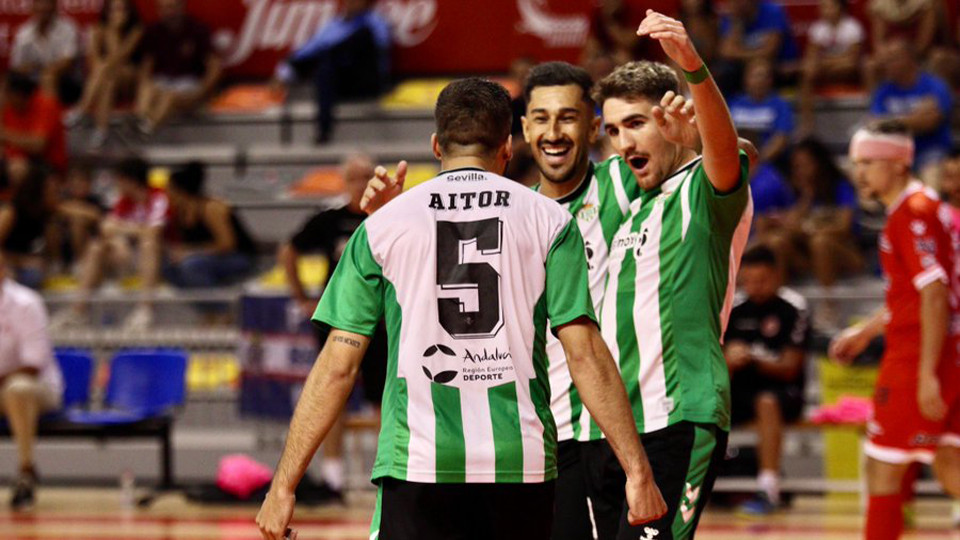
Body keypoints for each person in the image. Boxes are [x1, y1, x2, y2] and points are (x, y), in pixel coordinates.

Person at [255, 77, 666, 540]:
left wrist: (283, 485)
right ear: (507, 148)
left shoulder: (380, 227)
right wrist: (638, 471)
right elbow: (585, 353)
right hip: (520, 460)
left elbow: (336, 366)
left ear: (436, 145)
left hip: (419, 459)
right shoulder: (550, 221)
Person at [587, 11, 752, 539]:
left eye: (636, 123)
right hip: (619, 428)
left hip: (681, 416)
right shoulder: (624, 198)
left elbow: (731, 154)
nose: (622, 142)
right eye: (612, 129)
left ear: (669, 117)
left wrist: (694, 72)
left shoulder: (704, 192)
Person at [830, 121, 960, 540]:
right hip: (943, 351)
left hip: (918, 357)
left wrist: (925, 375)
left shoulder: (912, 214)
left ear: (899, 164)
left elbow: (935, 293)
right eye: (856, 163)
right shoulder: (935, 209)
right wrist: (866, 332)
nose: (860, 173)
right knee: (948, 463)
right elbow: (914, 295)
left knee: (882, 469)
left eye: (869, 162)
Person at [277, 153, 386, 499]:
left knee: (385, 398)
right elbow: (288, 251)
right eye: (354, 177)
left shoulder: (388, 218)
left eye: (367, 176)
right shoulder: (329, 220)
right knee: (333, 396)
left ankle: (388, 475)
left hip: (382, 320)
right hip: (339, 320)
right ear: (344, 181)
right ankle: (333, 477)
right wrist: (300, 297)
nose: (361, 183)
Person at [724, 245, 810, 515]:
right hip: (740, 393)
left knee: (766, 402)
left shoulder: (793, 308)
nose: (754, 287)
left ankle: (768, 488)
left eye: (761, 281)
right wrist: (727, 358)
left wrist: (751, 357)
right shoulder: (734, 309)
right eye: (748, 281)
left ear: (776, 276)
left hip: (784, 393)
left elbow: (790, 367)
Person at [50, 156, 166, 330]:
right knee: (98, 246)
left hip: (154, 258)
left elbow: (153, 232)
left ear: (131, 181)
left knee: (148, 242)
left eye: (119, 180)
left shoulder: (157, 198)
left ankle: (145, 310)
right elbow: (106, 228)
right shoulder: (123, 202)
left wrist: (124, 229)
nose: (117, 184)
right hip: (125, 256)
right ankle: (78, 311)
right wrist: (126, 233)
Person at [275, 0, 390, 144]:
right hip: (340, 81)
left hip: (365, 81)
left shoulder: (375, 22)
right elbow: (309, 50)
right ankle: (323, 130)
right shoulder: (333, 24)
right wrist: (284, 70)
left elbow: (380, 48)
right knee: (325, 66)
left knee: (354, 40)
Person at [0, 251, 64, 510]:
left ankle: (26, 472)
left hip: (38, 389)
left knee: (18, 389)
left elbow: (33, 364)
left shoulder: (26, 303)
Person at [757, 137, 862, 290]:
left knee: (820, 242)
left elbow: (844, 227)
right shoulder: (794, 191)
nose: (801, 170)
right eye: (797, 166)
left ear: (820, 163)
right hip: (806, 256)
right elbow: (789, 225)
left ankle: (828, 303)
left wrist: (808, 231)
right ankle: (777, 301)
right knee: (776, 242)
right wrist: (807, 197)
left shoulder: (840, 187)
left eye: (806, 164)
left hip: (842, 252)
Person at [870, 38, 953, 187]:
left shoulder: (934, 85)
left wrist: (893, 122)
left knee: (932, 180)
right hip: (895, 155)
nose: (886, 64)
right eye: (887, 60)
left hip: (930, 151)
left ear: (909, 59)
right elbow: (876, 126)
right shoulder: (883, 90)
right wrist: (916, 119)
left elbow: (930, 122)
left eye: (892, 59)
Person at [164, 161, 255, 288]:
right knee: (167, 264)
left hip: (236, 256)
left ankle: (218, 306)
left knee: (192, 265)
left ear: (181, 192)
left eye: (170, 190)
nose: (167, 194)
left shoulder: (211, 208)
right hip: (205, 256)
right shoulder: (180, 212)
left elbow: (227, 244)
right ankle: (200, 304)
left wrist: (191, 252)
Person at [67, 0, 145, 148]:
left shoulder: (136, 30)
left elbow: (121, 57)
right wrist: (104, 67)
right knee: (107, 80)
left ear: (129, 12)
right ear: (107, 12)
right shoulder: (97, 29)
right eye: (114, 10)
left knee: (107, 70)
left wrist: (113, 32)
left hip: (129, 77)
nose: (118, 14)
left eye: (122, 10)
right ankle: (101, 132)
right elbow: (93, 63)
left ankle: (81, 109)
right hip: (106, 79)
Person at [137, 0, 221, 135]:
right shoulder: (154, 31)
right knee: (148, 88)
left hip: (190, 83)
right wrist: (144, 83)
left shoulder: (197, 29)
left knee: (169, 96)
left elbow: (214, 67)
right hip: (163, 81)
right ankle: (141, 123)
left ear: (182, 6)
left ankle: (144, 132)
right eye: (163, 8)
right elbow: (146, 66)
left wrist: (202, 92)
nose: (168, 12)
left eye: (172, 7)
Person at [798, 0, 865, 134]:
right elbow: (812, 57)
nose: (825, 10)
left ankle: (867, 117)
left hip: (847, 71)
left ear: (840, 8)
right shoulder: (818, 28)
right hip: (827, 70)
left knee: (858, 64)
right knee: (808, 71)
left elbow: (853, 58)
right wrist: (832, 62)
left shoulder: (852, 27)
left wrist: (826, 61)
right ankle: (807, 124)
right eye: (823, 7)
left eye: (829, 7)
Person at [716, 0, 800, 94]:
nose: (736, 4)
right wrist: (736, 24)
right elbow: (726, 52)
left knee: (760, 70)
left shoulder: (771, 11)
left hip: (779, 63)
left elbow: (770, 51)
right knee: (725, 71)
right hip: (746, 65)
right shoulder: (732, 15)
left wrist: (740, 54)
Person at [0, 72, 67, 186]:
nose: (4, 97)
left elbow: (38, 145)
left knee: (17, 168)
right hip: (17, 160)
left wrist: (5, 136)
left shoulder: (46, 105)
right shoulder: (8, 109)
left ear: (18, 94)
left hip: (48, 165)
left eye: (6, 93)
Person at [9, 0, 81, 104]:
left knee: (48, 77)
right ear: (33, 8)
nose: (43, 8)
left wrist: (47, 70)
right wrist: (31, 68)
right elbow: (16, 66)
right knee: (6, 81)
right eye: (39, 4)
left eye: (47, 3)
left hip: (64, 80)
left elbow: (68, 61)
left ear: (55, 7)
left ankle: (49, 118)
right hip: (32, 79)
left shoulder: (68, 28)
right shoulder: (24, 32)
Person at [0, 165, 60, 289]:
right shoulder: (11, 211)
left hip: (26, 266)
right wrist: (22, 261)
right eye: (52, 191)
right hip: (8, 264)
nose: (56, 195)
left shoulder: (45, 214)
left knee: (36, 274)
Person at [728, 59, 794, 169]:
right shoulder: (733, 103)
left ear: (771, 80)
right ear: (746, 79)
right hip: (735, 161)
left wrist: (758, 161)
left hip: (768, 164)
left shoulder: (780, 105)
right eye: (755, 76)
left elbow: (781, 139)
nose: (759, 80)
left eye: (764, 76)